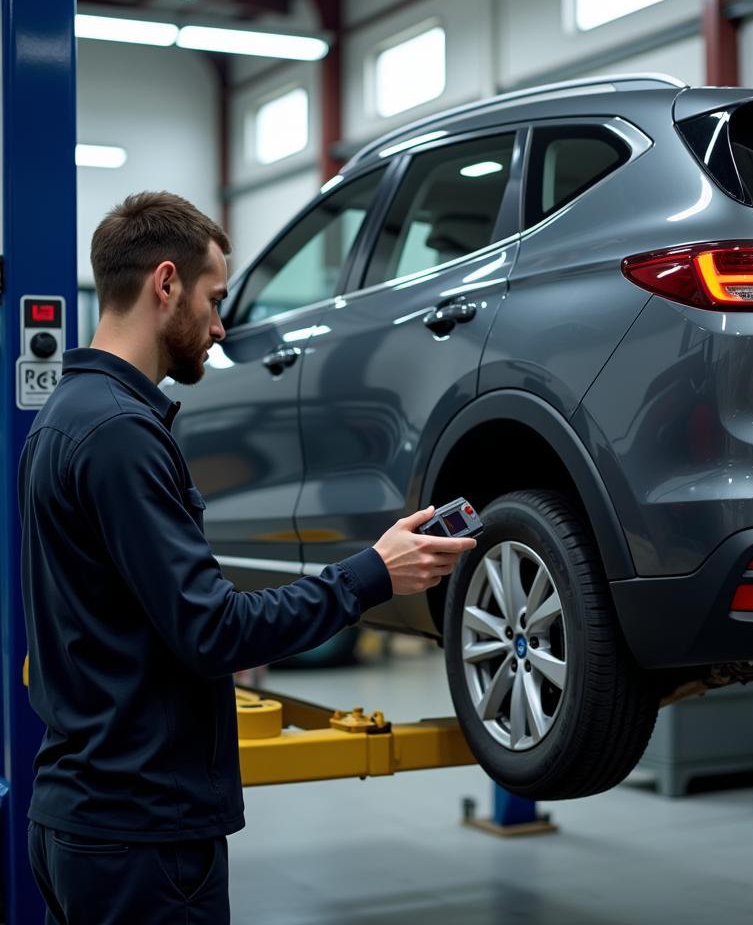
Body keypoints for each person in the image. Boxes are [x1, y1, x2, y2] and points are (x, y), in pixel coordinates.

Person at [19, 191, 476, 924]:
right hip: (141, 835)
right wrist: (372, 573)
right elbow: (213, 632)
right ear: (165, 284)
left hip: (83, 819)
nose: (220, 325)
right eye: (214, 297)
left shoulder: (63, 421)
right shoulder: (119, 436)